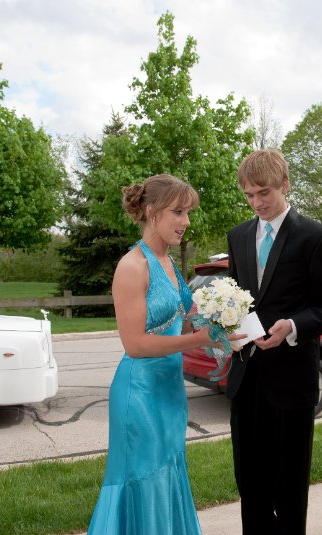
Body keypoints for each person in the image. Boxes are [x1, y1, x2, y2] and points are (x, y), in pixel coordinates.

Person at [87, 174, 243, 535]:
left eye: (188, 213)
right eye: (179, 212)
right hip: (139, 394)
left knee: (168, 474)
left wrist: (228, 317)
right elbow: (136, 345)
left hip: (169, 392)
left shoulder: (170, 263)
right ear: (152, 212)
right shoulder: (132, 266)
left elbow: (189, 321)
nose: (186, 222)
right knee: (143, 479)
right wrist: (200, 338)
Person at [226, 149, 322, 534]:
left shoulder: (317, 237)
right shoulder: (238, 236)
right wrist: (227, 325)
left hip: (292, 383)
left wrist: (292, 326)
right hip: (246, 379)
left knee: (289, 489)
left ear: (285, 185)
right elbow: (237, 297)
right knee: (250, 483)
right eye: (249, 195)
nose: (257, 202)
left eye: (264, 193)